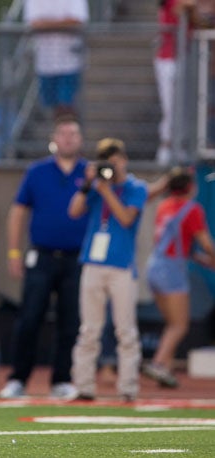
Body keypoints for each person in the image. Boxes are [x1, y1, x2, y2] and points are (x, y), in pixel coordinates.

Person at [0, 116, 87, 400]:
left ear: (81, 139)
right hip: (42, 255)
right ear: (54, 138)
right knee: (30, 317)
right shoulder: (37, 171)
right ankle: (18, 378)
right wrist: (14, 252)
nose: (68, 138)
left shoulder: (90, 173)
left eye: (73, 133)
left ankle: (63, 378)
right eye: (63, 133)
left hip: (77, 258)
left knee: (70, 321)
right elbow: (18, 211)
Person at [69, 137, 148, 402]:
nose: (111, 168)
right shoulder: (96, 186)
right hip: (93, 262)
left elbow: (126, 218)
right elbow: (74, 211)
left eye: (115, 162)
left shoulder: (136, 187)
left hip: (121, 266)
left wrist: (106, 190)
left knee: (125, 330)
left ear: (123, 160)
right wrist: (89, 184)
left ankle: (127, 387)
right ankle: (84, 386)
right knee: (89, 329)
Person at [143, 166, 215, 387]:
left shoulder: (164, 206)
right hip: (171, 270)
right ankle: (158, 364)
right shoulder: (192, 209)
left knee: (171, 323)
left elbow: (179, 244)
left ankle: (166, 369)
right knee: (179, 325)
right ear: (190, 187)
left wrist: (201, 259)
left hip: (155, 265)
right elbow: (205, 243)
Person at [24, 0, 90, 120]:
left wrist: (47, 24)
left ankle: (68, 133)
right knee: (51, 106)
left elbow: (77, 20)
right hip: (45, 62)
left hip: (69, 61)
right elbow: (33, 23)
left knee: (66, 105)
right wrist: (62, 23)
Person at [154, 0, 198, 165]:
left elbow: (196, 17)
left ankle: (180, 147)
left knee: (184, 105)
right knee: (170, 106)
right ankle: (166, 147)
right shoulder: (170, 2)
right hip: (167, 59)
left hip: (182, 57)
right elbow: (185, 7)